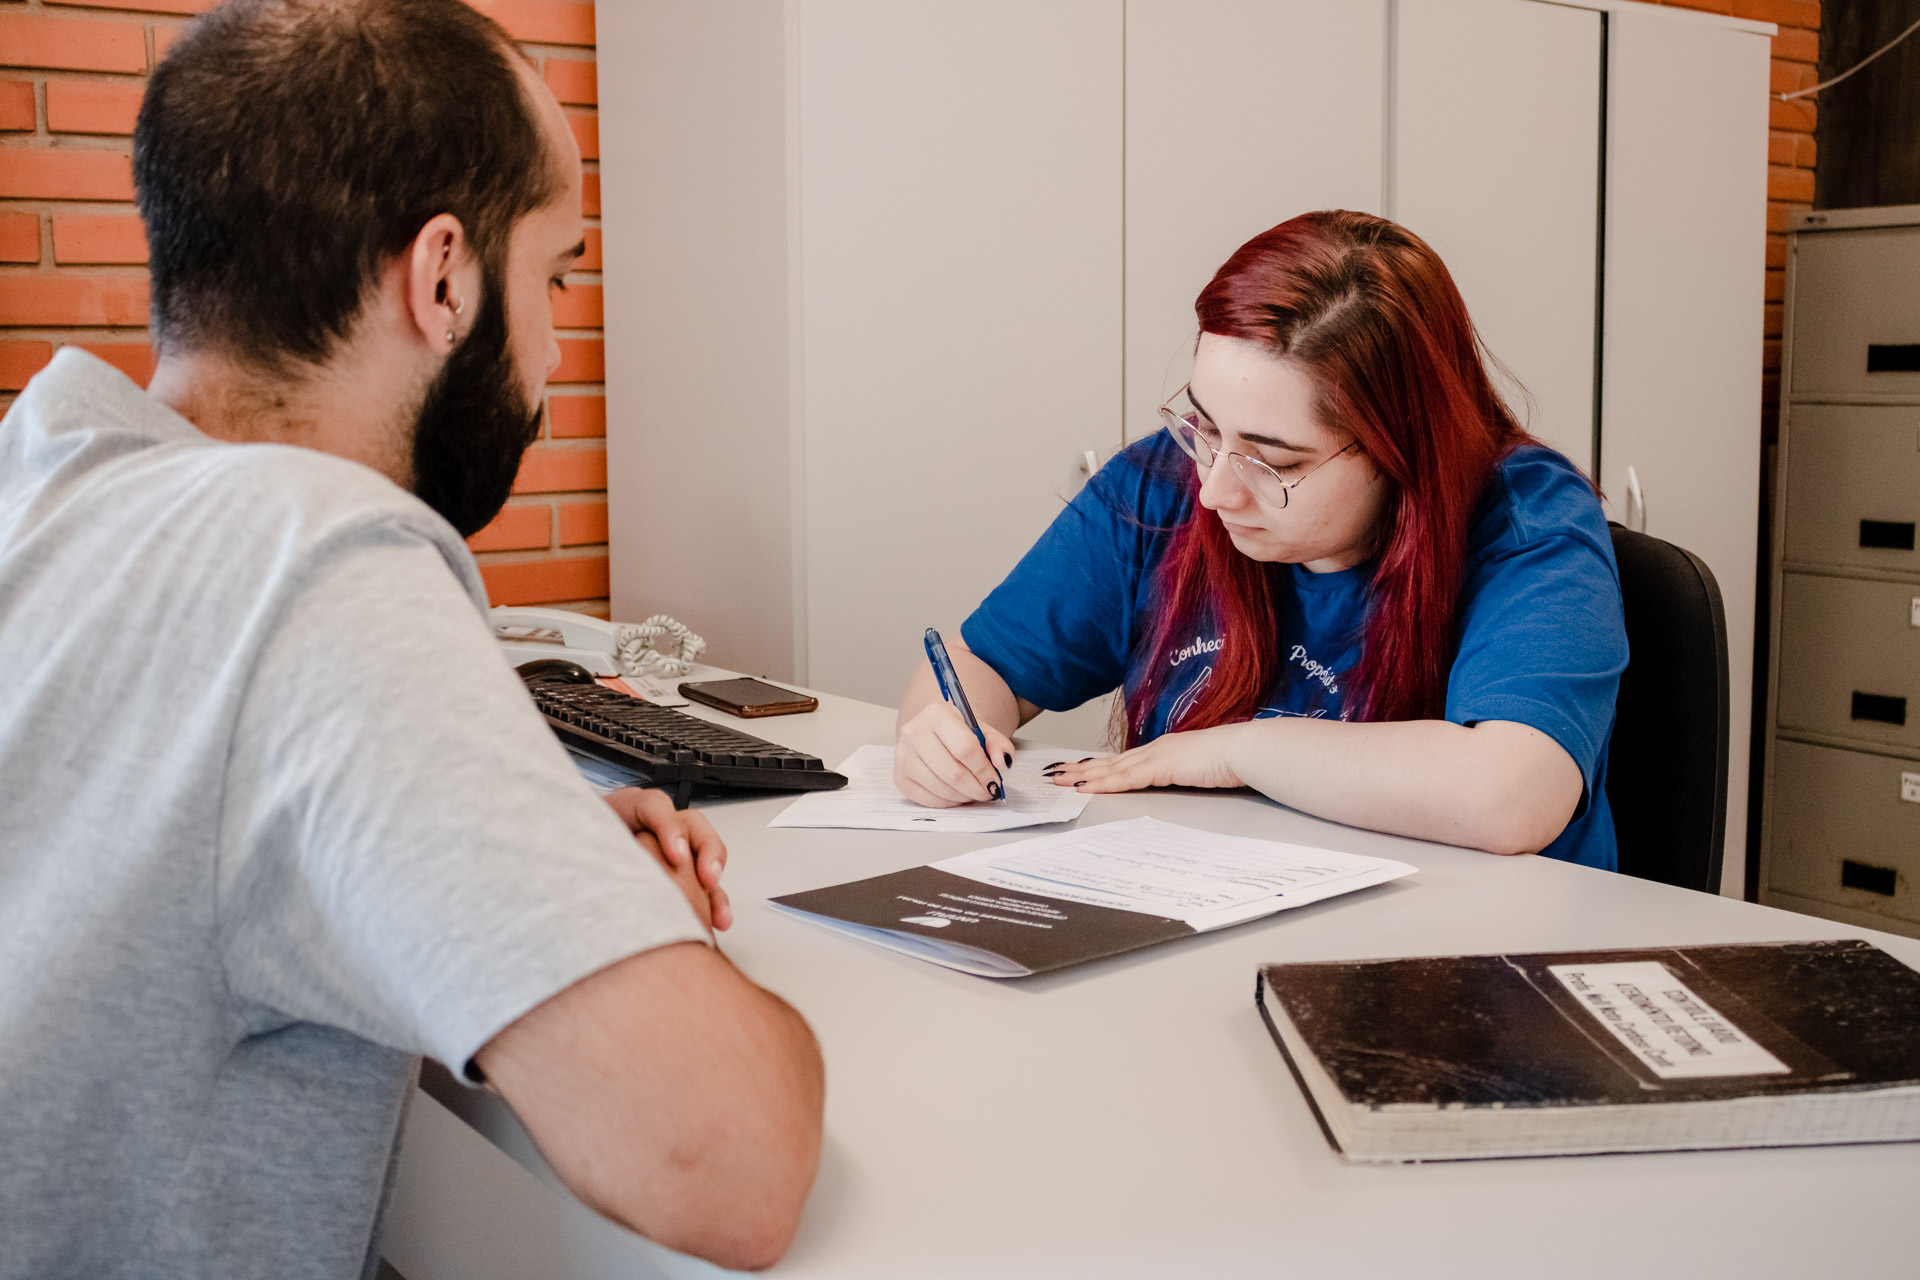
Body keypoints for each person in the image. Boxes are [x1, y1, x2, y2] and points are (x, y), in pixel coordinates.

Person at [0, 2, 821, 1276]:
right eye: (553, 273)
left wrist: (463, 862)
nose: (551, 347)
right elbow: (727, 1157)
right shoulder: (316, 554)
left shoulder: (45, 476)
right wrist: (599, 916)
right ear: (443, 277)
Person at [896, 211, 1627, 868]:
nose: (1215, 491)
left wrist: (1235, 750)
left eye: (1273, 461)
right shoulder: (1162, 484)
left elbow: (1510, 796)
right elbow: (980, 665)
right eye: (1206, 428)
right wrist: (942, 734)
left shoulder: (1528, 519)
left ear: (1402, 450)